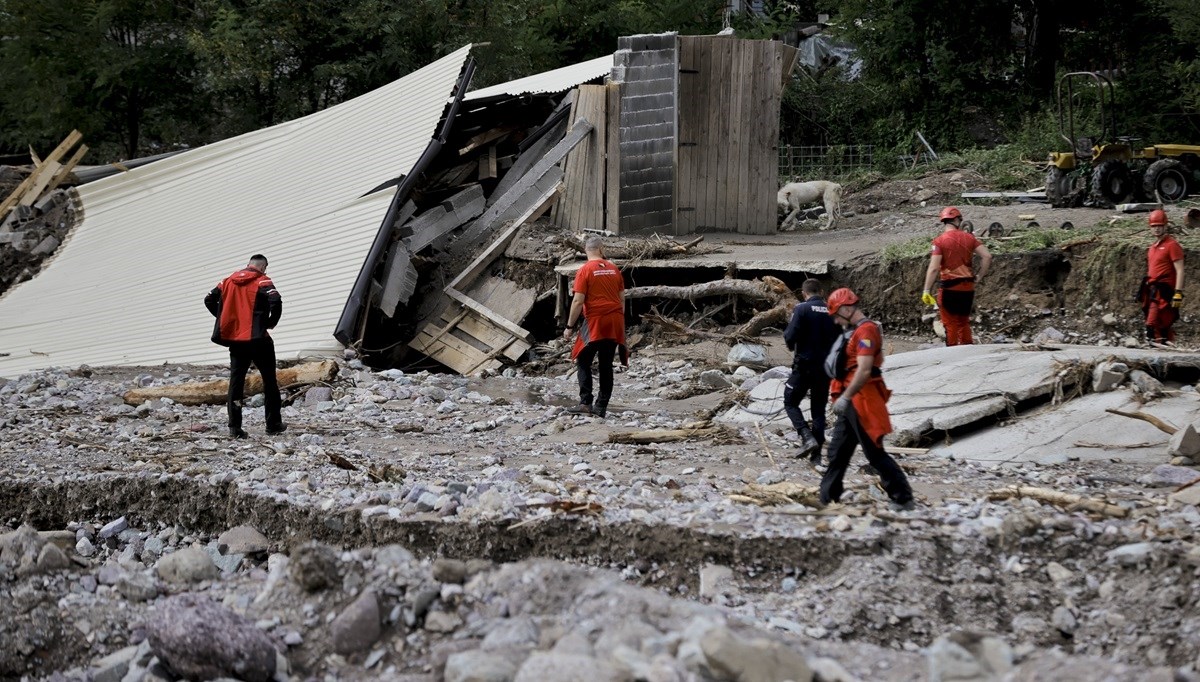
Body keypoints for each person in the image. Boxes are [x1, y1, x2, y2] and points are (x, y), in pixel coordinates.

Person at [819, 288, 914, 510]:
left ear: (846, 308)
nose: (835, 320)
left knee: (874, 452)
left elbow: (863, 370)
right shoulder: (856, 332)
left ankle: (903, 497)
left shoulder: (866, 332)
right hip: (851, 397)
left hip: (862, 399)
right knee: (838, 451)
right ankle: (827, 497)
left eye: (835, 314)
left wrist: (846, 397)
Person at [204, 254, 285, 438]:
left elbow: (208, 300)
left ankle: (235, 428)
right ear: (263, 267)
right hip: (259, 339)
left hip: (236, 342)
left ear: (248, 264)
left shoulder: (226, 282)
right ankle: (273, 424)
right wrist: (270, 323)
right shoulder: (262, 280)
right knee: (269, 381)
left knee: (236, 382)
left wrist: (224, 318)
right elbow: (276, 300)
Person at [563, 236, 628, 418]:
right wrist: (618, 319)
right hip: (615, 320)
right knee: (606, 364)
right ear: (601, 249)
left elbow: (578, 301)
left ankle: (586, 403)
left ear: (586, 251)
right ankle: (601, 407)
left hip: (595, 321)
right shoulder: (614, 269)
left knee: (583, 359)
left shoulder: (585, 270)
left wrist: (569, 326)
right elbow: (622, 298)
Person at [782, 279, 839, 460]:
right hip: (825, 368)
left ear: (804, 293)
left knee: (790, 401)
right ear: (821, 292)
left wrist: (792, 345)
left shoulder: (801, 309)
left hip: (804, 365)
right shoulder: (832, 310)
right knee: (818, 410)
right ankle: (816, 457)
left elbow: (790, 336)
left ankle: (806, 436)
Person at [921, 206, 993, 346]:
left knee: (950, 323)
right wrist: (979, 276)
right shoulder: (970, 238)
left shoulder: (939, 241)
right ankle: (967, 351)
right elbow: (987, 256)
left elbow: (934, 268)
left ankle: (952, 355)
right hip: (968, 287)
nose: (960, 221)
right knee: (963, 321)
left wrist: (926, 290)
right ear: (955, 219)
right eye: (960, 219)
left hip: (949, 288)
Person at [1139, 209, 1185, 343]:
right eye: (1154, 226)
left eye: (1160, 225)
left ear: (1166, 225)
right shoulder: (1152, 247)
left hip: (1164, 290)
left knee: (1153, 323)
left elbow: (1180, 270)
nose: (1157, 229)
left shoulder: (1172, 245)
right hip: (1152, 290)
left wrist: (1178, 293)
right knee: (1160, 322)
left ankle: (1156, 348)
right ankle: (1165, 347)